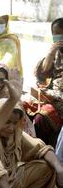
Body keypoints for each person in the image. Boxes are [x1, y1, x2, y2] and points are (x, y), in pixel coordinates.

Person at [31, 18, 63, 147]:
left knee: (42, 118)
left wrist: (52, 94)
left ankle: (44, 150)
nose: (59, 38)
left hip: (59, 97)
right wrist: (50, 54)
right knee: (22, 107)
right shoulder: (56, 52)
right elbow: (42, 73)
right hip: (50, 94)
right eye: (56, 34)